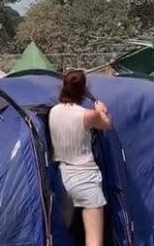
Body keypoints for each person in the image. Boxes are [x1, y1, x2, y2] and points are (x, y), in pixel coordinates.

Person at [48, 69, 112, 246]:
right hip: (86, 178)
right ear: (83, 89)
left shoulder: (53, 112)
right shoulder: (86, 115)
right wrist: (101, 111)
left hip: (63, 176)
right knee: (94, 239)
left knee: (63, 230)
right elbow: (107, 125)